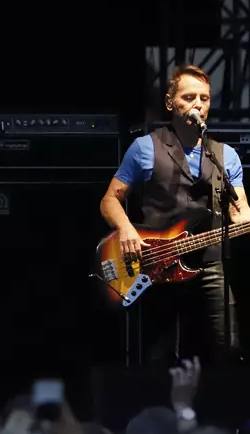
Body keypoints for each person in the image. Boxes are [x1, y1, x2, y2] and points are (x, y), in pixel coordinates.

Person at [99, 65, 248, 365]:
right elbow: (109, 200)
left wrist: (244, 218)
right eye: (190, 97)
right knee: (161, 353)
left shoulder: (224, 155)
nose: (198, 105)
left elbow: (240, 209)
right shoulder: (145, 148)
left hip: (211, 263)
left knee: (227, 348)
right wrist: (126, 229)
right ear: (170, 103)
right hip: (158, 263)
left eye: (204, 98)